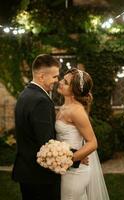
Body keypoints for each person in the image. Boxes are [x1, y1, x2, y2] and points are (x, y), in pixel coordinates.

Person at [12, 54, 61, 200]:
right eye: (54, 77)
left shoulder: (24, 94)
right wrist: (76, 156)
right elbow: (47, 144)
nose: (57, 81)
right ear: (41, 76)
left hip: (26, 171)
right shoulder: (41, 101)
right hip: (40, 176)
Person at [56, 68, 110, 200]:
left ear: (74, 90)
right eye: (63, 79)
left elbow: (92, 143)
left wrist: (70, 159)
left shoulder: (76, 111)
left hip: (75, 172)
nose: (60, 82)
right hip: (66, 169)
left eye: (66, 82)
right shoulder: (64, 107)